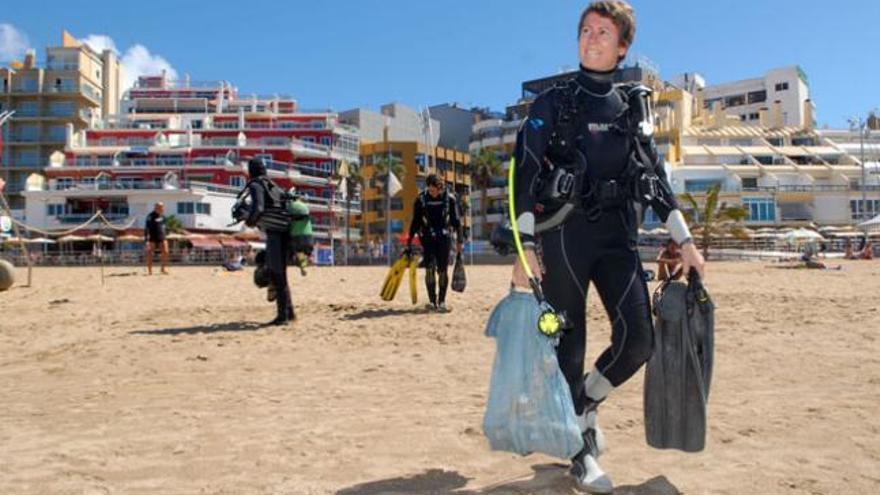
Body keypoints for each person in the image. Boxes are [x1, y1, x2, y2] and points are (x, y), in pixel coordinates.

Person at [508, 2, 706, 492]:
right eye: (584, 30)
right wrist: (523, 245)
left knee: (639, 339)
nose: (591, 38)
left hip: (618, 237)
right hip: (563, 237)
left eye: (603, 32)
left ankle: (583, 407)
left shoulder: (630, 109)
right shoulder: (552, 103)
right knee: (567, 349)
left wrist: (684, 240)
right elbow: (525, 172)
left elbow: (656, 179)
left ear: (622, 46)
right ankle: (579, 452)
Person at [244, 158, 294, 326]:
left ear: (250, 171)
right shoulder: (274, 186)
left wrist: (250, 221)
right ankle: (290, 313)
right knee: (282, 275)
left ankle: (283, 317)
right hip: (287, 232)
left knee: (277, 275)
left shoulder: (256, 185)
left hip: (275, 234)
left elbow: (258, 208)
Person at [406, 174, 463, 312]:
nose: (432, 193)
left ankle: (442, 301)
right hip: (427, 239)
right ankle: (432, 301)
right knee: (430, 269)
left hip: (444, 239)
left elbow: (456, 222)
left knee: (442, 270)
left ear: (440, 187)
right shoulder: (420, 200)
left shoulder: (450, 200)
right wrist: (409, 240)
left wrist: (460, 241)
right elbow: (415, 222)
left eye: (434, 190)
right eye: (430, 190)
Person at [144, 202, 169, 275]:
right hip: (152, 237)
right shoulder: (150, 216)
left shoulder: (163, 217)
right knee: (150, 253)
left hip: (162, 236)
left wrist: (166, 234)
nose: (162, 208)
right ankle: (150, 270)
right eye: (160, 207)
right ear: (155, 207)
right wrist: (146, 240)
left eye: (162, 207)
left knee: (166, 252)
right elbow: (146, 228)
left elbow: (164, 227)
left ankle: (163, 269)